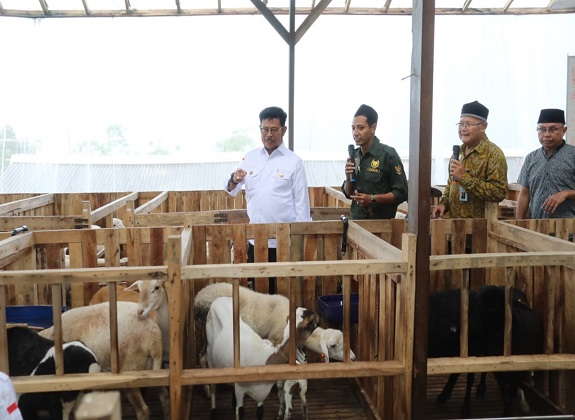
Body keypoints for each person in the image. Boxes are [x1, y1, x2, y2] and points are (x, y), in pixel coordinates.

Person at [225, 106, 311, 293]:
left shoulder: (294, 162)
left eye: (274, 129)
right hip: (256, 241)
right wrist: (234, 178)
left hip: (283, 243)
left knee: (284, 295)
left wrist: (298, 243)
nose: (269, 134)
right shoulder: (250, 157)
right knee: (259, 297)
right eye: (265, 129)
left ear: (284, 130)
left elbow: (302, 207)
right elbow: (231, 189)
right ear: (260, 129)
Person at [433, 100, 508, 219]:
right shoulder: (457, 154)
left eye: (468, 124)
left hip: (479, 229)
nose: (463, 128)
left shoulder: (493, 154)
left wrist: (464, 177)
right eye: (461, 124)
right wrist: (444, 204)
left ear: (483, 126)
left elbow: (498, 192)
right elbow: (451, 184)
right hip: (455, 228)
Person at [342, 104, 408, 219]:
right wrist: (348, 178)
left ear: (373, 128)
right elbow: (348, 194)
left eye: (360, 128)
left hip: (381, 227)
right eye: (353, 128)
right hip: (356, 224)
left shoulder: (388, 155)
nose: (355, 133)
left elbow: (401, 193)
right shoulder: (355, 156)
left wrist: (372, 198)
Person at [516, 108, 574, 219]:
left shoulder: (573, 155)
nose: (546, 134)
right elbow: (524, 193)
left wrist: (566, 193)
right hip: (537, 228)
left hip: (569, 229)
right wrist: (518, 224)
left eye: (552, 129)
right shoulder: (531, 158)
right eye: (542, 129)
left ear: (564, 130)